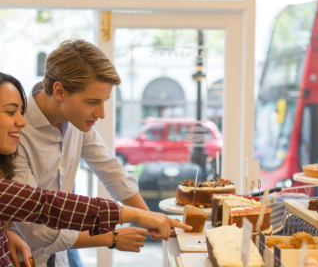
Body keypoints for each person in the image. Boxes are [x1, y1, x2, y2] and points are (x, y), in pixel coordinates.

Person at [10, 39, 186, 267]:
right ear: (60, 91)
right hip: (19, 257)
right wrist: (110, 237)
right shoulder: (15, 129)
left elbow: (111, 171)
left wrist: (153, 220)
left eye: (104, 101)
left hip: (57, 256)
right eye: (92, 101)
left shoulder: (76, 120)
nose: (101, 113)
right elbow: (37, 229)